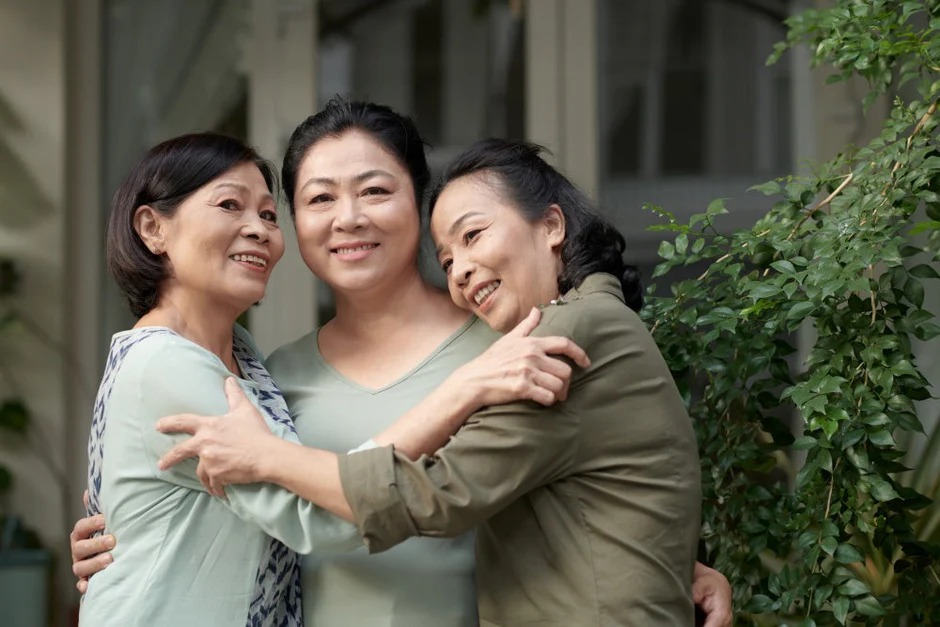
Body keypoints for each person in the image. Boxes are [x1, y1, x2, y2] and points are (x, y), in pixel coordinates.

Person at [71, 99, 733, 626]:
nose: (349, 218)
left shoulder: (512, 344)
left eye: (374, 190)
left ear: (419, 202)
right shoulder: (269, 380)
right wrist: (124, 531)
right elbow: (243, 510)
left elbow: (610, 469)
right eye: (318, 199)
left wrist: (680, 565)